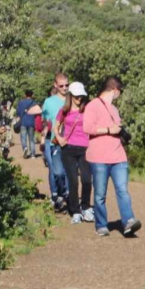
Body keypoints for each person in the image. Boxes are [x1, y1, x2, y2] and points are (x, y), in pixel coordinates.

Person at [84, 76, 140, 238]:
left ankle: (128, 221)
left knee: (122, 189)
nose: (119, 95)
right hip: (99, 157)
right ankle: (101, 225)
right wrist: (109, 130)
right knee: (100, 193)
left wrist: (121, 133)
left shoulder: (114, 109)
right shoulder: (92, 105)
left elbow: (116, 129)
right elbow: (87, 128)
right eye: (120, 92)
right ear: (115, 89)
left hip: (118, 155)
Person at [56, 82, 94, 224]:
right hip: (68, 148)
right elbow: (56, 126)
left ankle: (85, 207)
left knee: (86, 179)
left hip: (85, 148)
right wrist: (60, 139)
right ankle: (75, 211)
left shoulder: (87, 110)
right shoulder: (64, 110)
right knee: (73, 181)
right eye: (77, 96)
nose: (79, 99)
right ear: (71, 96)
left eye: (81, 96)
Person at [41, 74, 69, 209]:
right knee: (54, 170)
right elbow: (46, 123)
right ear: (55, 85)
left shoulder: (73, 100)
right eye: (61, 85)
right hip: (53, 141)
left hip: (70, 142)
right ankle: (55, 194)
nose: (64, 88)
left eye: (66, 85)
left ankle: (66, 194)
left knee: (67, 171)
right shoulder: (49, 102)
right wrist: (43, 140)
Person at [14, 90, 38, 158]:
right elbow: (37, 114)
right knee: (31, 139)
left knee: (23, 138)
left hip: (23, 122)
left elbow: (18, 113)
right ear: (32, 95)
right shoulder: (34, 103)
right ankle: (33, 154)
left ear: (25, 95)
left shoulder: (21, 103)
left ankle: (25, 147)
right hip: (31, 122)